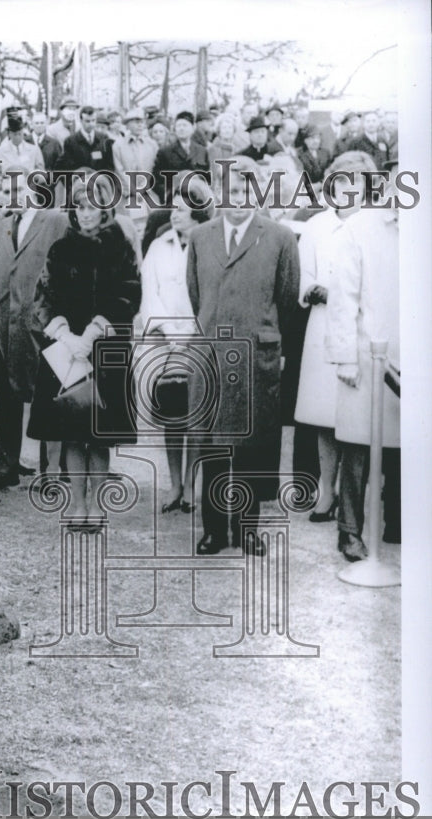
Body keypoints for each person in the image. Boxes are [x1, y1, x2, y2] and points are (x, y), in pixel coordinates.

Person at [186, 156, 300, 556]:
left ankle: (248, 527)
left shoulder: (280, 238)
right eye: (231, 190)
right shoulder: (200, 237)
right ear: (218, 193)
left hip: (256, 358)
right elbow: (197, 295)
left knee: (251, 447)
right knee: (214, 445)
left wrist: (263, 334)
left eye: (246, 191)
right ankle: (215, 529)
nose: (238, 199)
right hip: (214, 355)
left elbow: (285, 299)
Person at [27, 175, 141, 526]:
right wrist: (65, 333)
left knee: (100, 434)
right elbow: (43, 297)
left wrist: (93, 332)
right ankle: (77, 504)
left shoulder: (120, 246)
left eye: (92, 206)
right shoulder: (61, 248)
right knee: (74, 433)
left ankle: (98, 506)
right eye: (80, 207)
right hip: (68, 353)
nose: (85, 214)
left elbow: (129, 295)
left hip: (106, 348)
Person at [324, 159, 401, 560]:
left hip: (410, 361)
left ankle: (399, 524)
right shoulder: (360, 228)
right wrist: (345, 359)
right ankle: (349, 531)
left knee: (406, 444)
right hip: (366, 357)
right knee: (357, 448)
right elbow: (342, 300)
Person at [293, 153, 373, 524]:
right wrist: (321, 291)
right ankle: (327, 490)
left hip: (362, 327)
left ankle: (355, 494)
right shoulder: (316, 226)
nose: (346, 189)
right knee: (324, 414)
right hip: (322, 325)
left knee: (356, 412)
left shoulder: (375, 226)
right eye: (338, 181)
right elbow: (303, 278)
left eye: (354, 181)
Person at [0, 170, 70, 490]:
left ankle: (51, 471)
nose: (11, 194)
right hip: (5, 329)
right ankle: (7, 466)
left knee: (48, 399)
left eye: (16, 188)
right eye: (5, 189)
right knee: (7, 398)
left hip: (41, 328)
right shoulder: (0, 228)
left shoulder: (55, 221)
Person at [140, 184, 214, 514]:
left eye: (181, 209)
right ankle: (175, 485)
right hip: (166, 340)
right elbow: (150, 291)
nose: (174, 214)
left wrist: (194, 335)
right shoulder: (159, 245)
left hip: (200, 339)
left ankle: (191, 486)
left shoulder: (211, 243)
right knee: (171, 415)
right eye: (173, 208)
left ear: (197, 213)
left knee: (197, 415)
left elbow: (212, 294)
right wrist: (169, 332)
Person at [111, 107, 159, 240]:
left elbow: (155, 169)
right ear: (127, 124)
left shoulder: (152, 145)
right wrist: (134, 191)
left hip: (149, 194)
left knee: (151, 229)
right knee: (131, 231)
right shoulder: (118, 146)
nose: (140, 125)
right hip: (128, 195)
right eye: (136, 121)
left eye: (142, 121)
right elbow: (119, 170)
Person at [153, 112, 210, 201]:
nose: (181, 128)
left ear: (193, 127)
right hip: (173, 201)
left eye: (185, 125)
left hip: (197, 202)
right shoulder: (164, 152)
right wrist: (170, 193)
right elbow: (155, 181)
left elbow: (207, 178)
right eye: (179, 126)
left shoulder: (202, 151)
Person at [56, 104, 114, 172]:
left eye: (93, 120)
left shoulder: (104, 139)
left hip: (99, 180)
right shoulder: (70, 141)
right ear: (81, 121)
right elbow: (67, 167)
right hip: (79, 180)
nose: (91, 124)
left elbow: (109, 165)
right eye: (87, 121)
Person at [0, 109, 44, 175]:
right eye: (15, 134)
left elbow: (41, 176)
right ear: (9, 134)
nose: (17, 137)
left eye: (19, 133)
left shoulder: (35, 150)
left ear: (23, 131)